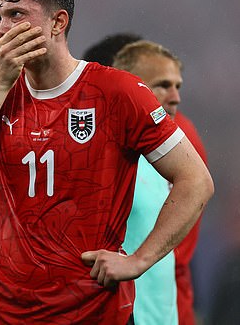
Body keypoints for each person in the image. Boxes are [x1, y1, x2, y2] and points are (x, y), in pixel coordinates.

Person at [0, 0, 213, 324]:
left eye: (16, 15)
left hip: (93, 312)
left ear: (57, 23)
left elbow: (196, 181)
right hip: (6, 313)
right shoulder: (2, 96)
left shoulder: (117, 92)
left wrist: (138, 259)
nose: (2, 29)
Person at [85, 33, 209, 324]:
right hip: (111, 310)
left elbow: (180, 253)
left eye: (177, 85)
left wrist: (140, 261)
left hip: (163, 311)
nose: (176, 96)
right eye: (163, 85)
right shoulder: (97, 145)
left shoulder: (181, 140)